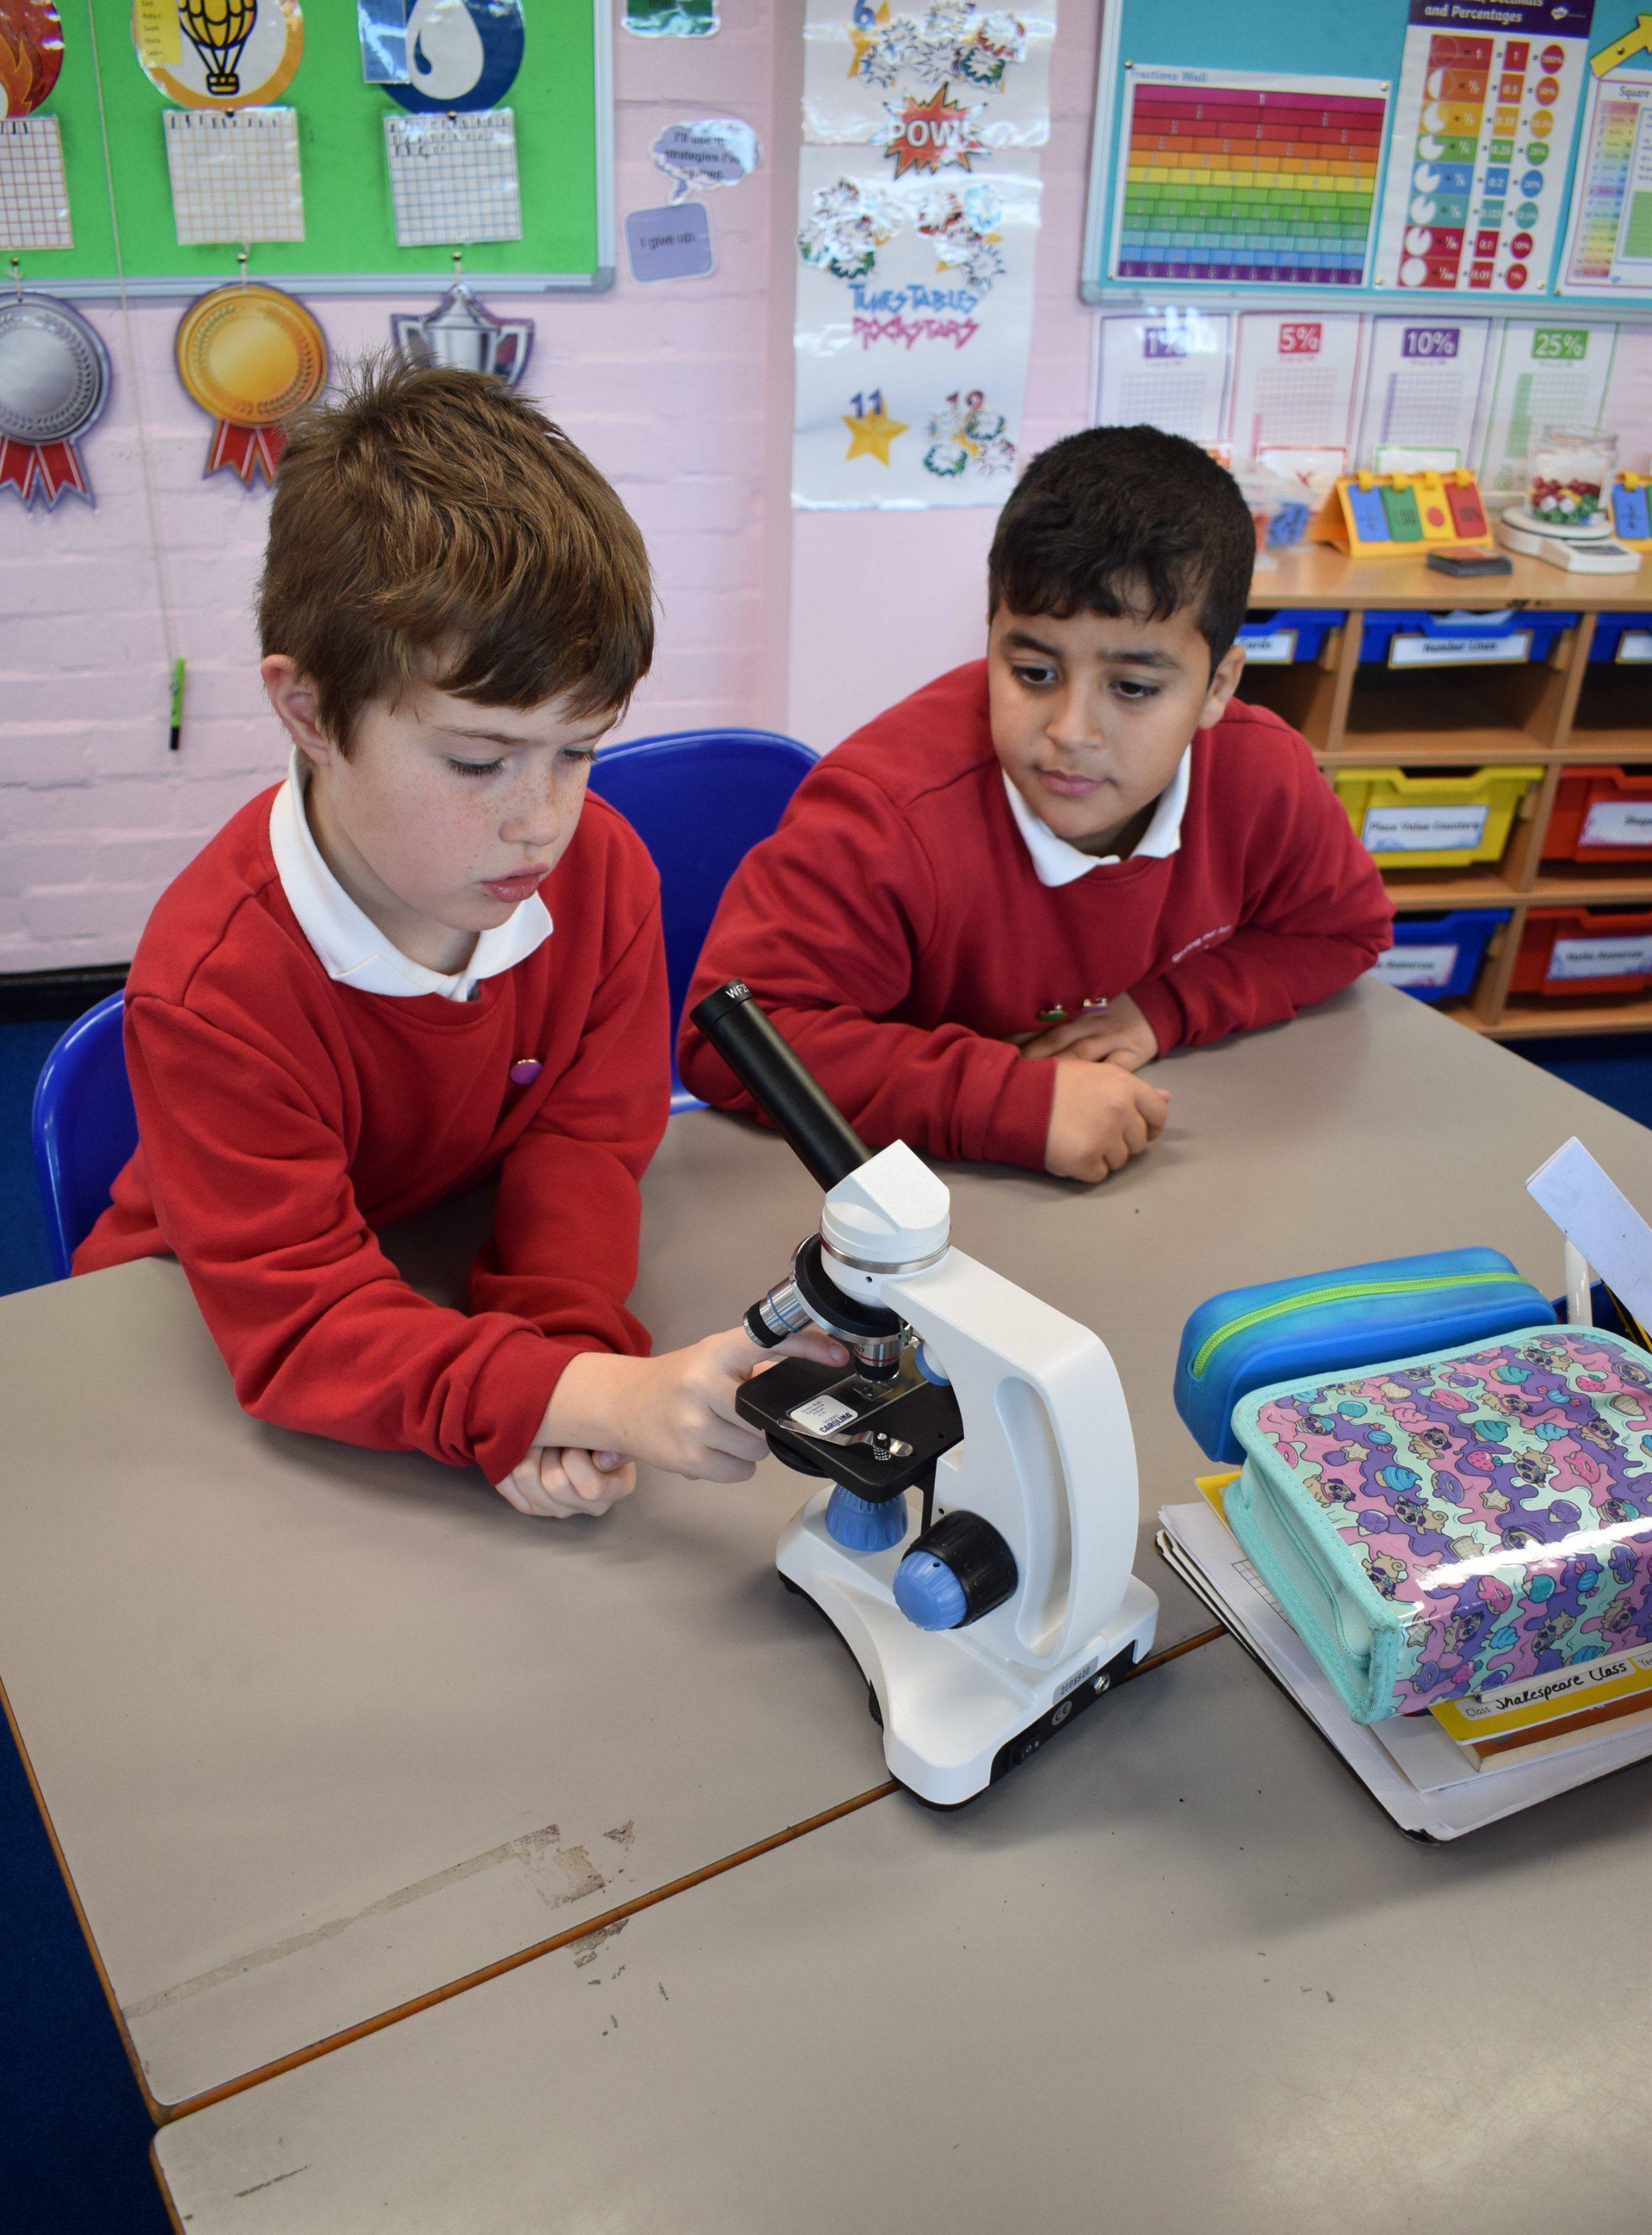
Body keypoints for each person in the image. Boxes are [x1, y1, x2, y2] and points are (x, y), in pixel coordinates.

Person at [77, 361, 840, 1518]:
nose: (541, 820)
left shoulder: (602, 877)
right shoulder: (214, 984)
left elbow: (584, 1147)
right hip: (191, 1328)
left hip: (421, 1276)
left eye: (578, 750)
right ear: (310, 713)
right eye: (479, 762)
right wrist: (566, 1393)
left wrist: (559, 1367)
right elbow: (300, 1325)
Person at [678, 424, 1393, 1183]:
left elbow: (1340, 931)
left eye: (1132, 688)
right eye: (1032, 672)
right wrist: (1012, 1101)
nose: (1071, 732)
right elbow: (734, 1039)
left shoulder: (1262, 773)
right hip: (913, 1213)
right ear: (989, 640)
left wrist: (1164, 1008)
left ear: (1218, 686)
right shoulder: (889, 812)